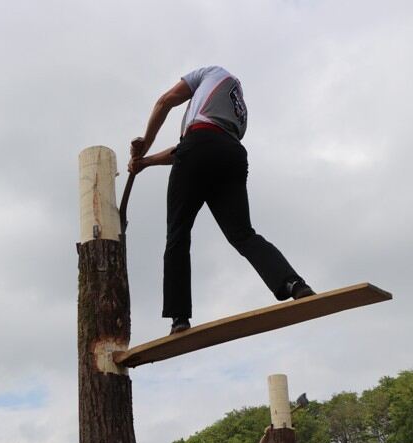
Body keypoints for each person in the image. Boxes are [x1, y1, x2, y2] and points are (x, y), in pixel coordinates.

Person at [128, 66, 314, 335]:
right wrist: (145, 163)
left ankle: (179, 319)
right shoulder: (239, 112)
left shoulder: (209, 72)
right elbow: (192, 146)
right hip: (231, 155)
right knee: (243, 234)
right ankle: (293, 283)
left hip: (198, 149)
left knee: (178, 235)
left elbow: (165, 102)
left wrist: (145, 144)